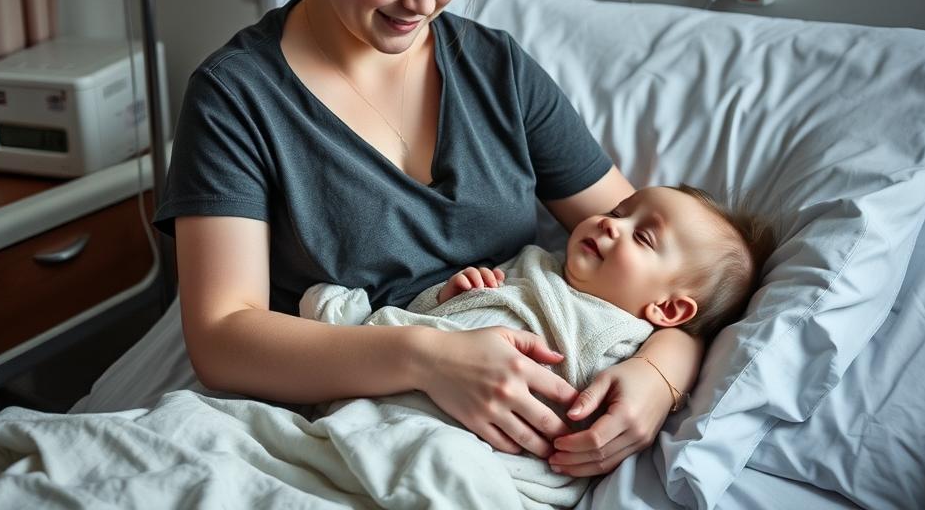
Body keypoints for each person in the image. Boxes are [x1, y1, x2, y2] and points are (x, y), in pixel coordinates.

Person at [154, 0, 703, 478]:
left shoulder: (498, 71)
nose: (425, 1)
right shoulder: (237, 98)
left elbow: (657, 252)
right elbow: (222, 339)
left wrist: (661, 375)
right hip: (350, 429)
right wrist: (429, 357)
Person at [298, 184, 774, 507]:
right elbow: (442, 321)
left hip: (466, 442)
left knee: (440, 464)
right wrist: (452, 295)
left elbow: (574, 420)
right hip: (396, 378)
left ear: (668, 311)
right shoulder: (536, 262)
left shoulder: (621, 341)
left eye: (642, 237)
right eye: (616, 212)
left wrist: (661, 372)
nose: (611, 224)